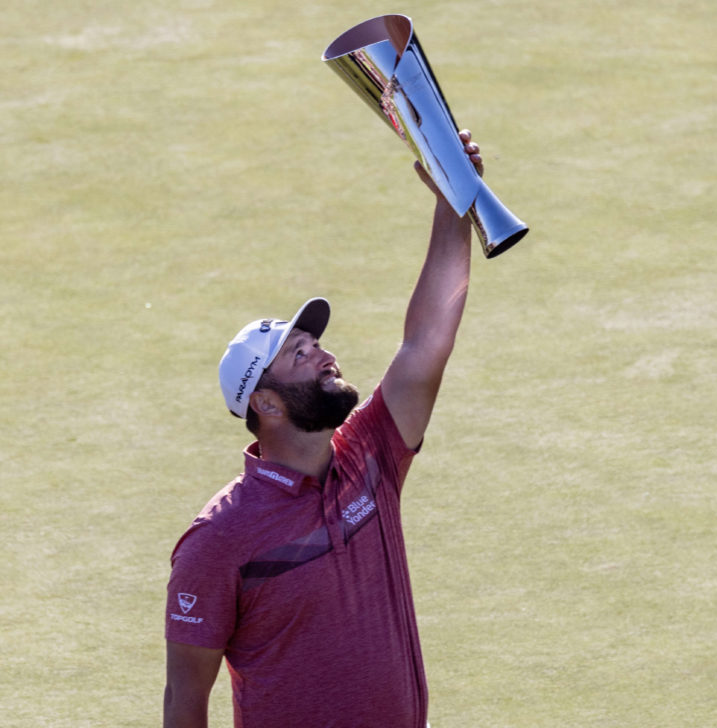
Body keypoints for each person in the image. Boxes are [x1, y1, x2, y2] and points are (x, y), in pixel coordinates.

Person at [163, 131, 485, 728]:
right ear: (267, 403)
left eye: (316, 343)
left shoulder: (370, 456)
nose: (323, 354)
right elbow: (185, 700)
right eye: (299, 354)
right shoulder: (218, 542)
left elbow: (426, 342)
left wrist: (452, 202)